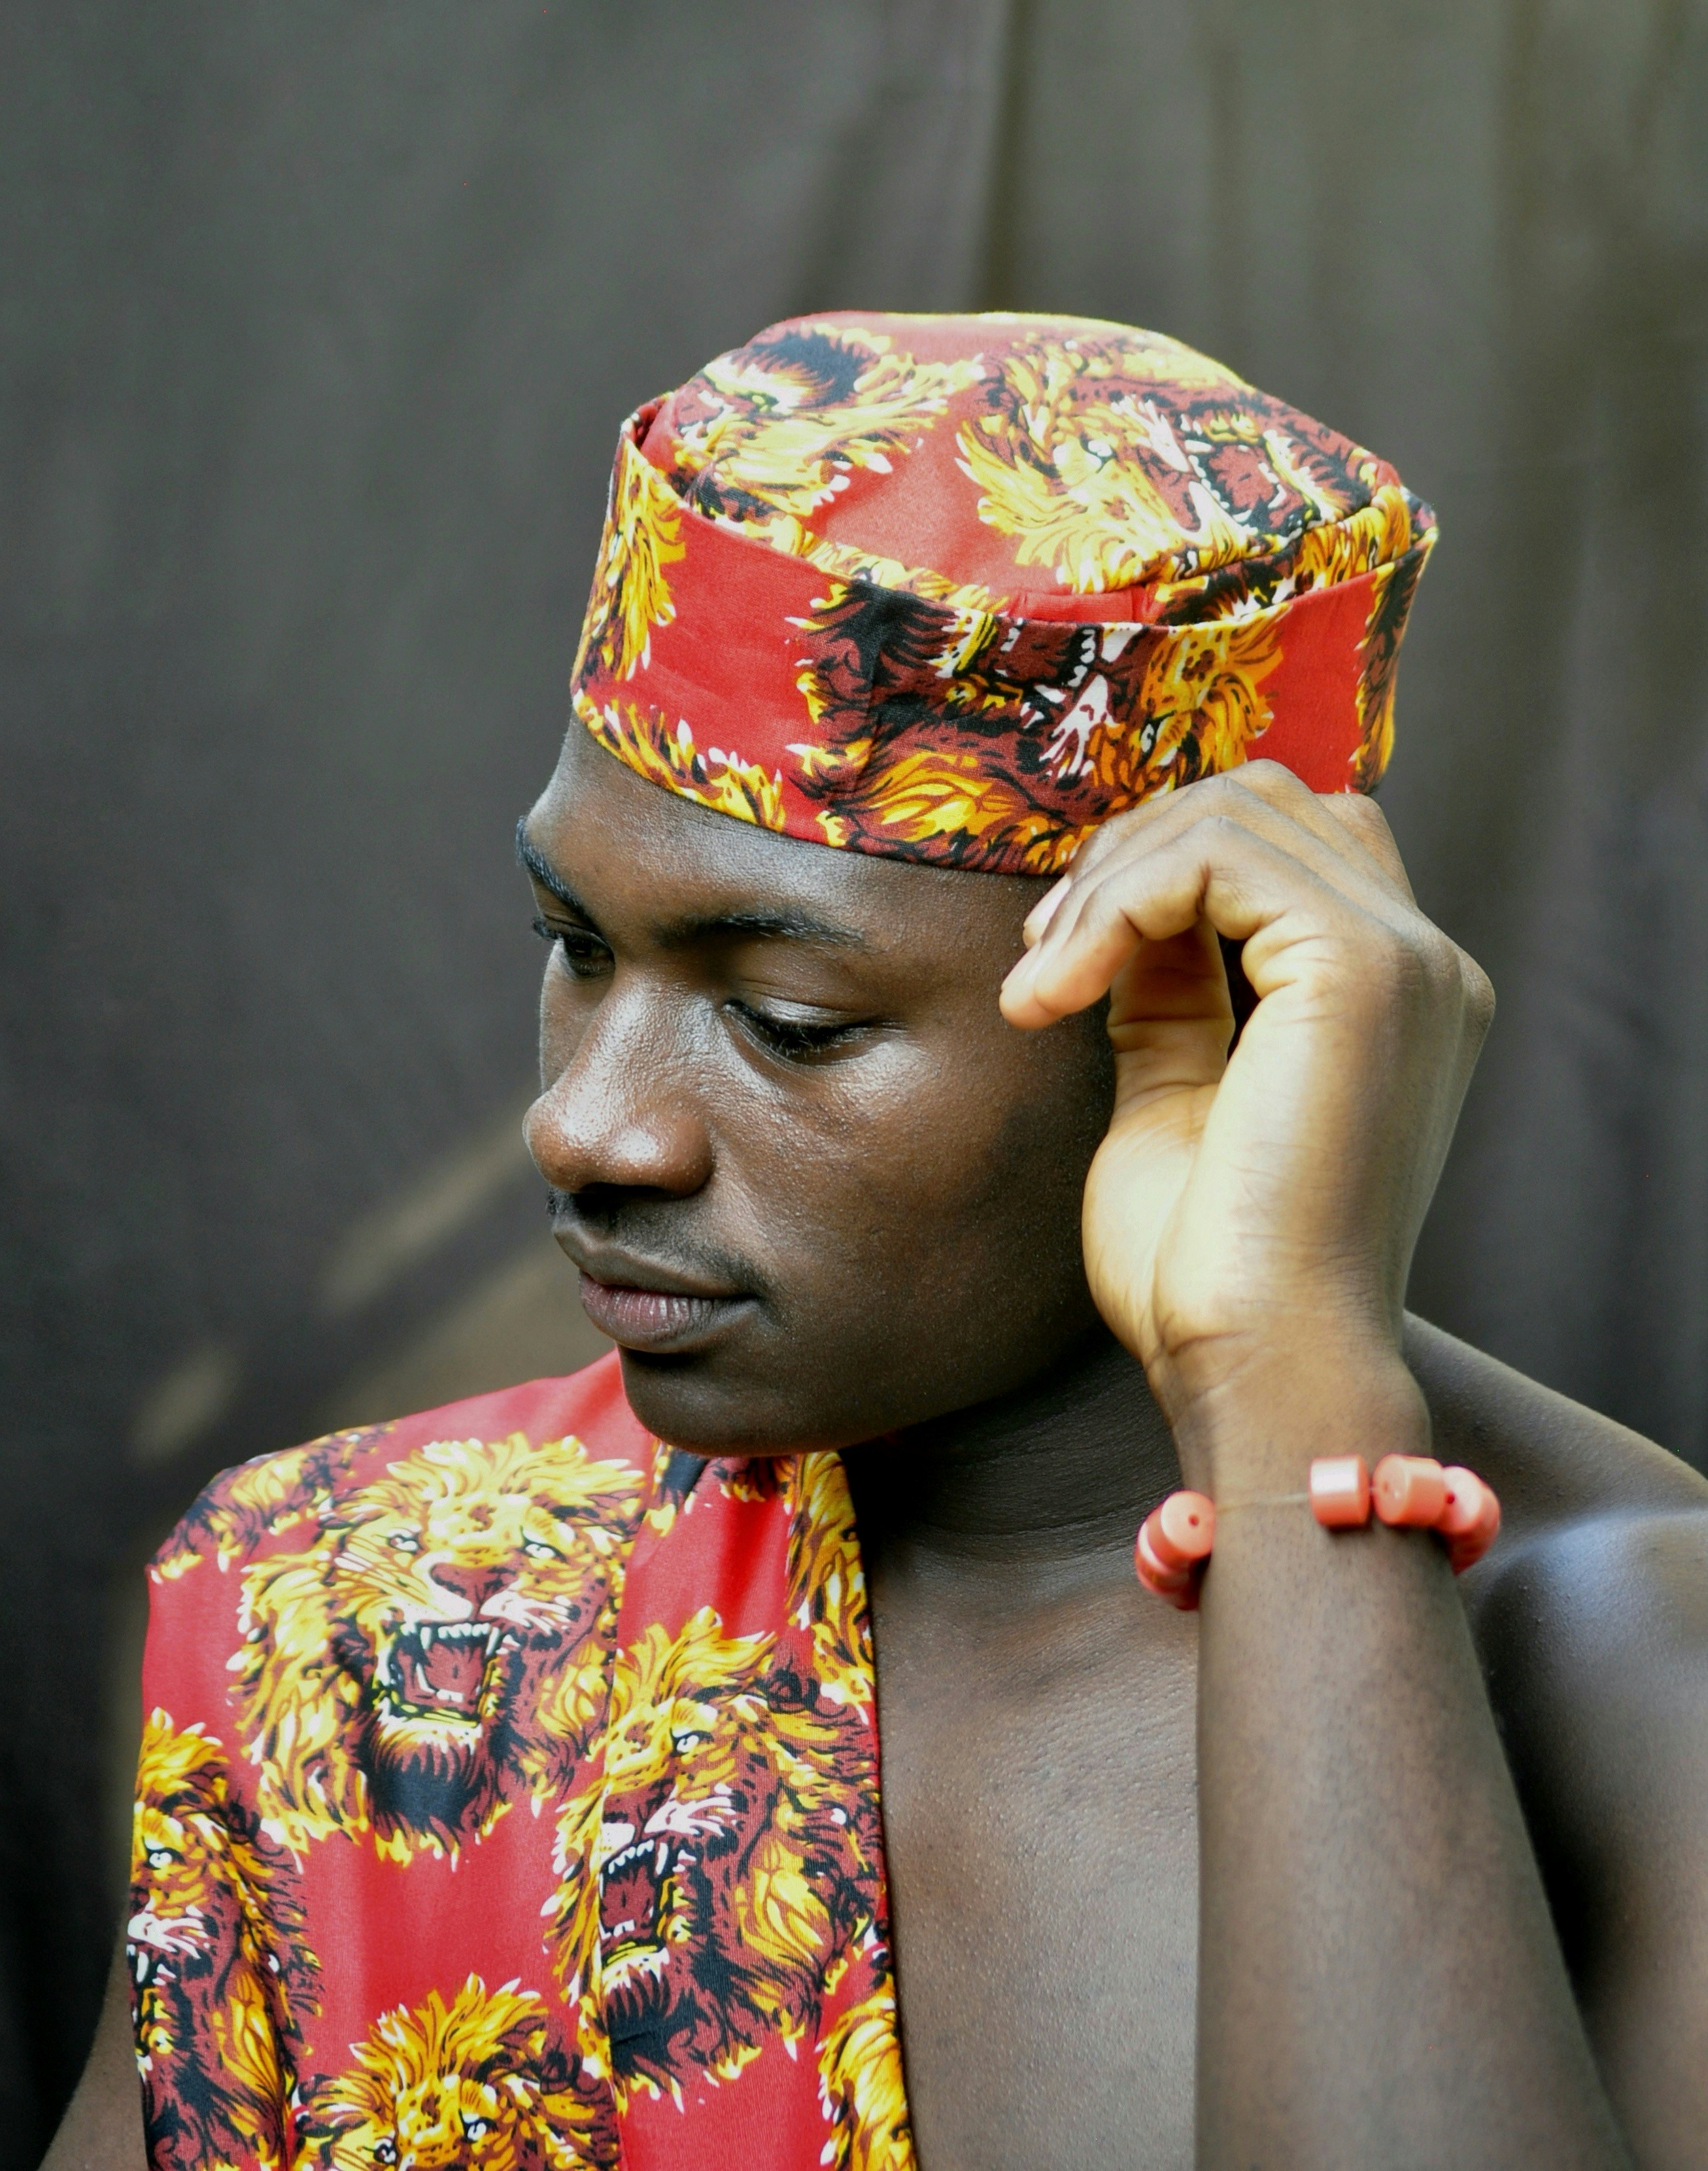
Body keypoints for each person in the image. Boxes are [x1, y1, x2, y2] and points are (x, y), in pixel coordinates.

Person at [46, 313, 1708, 2171]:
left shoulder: (1644, 1670)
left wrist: (1286, 1392)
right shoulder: (362, 1626)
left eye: (790, 1021)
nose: (586, 1126)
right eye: (575, 946)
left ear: (1215, 1011)